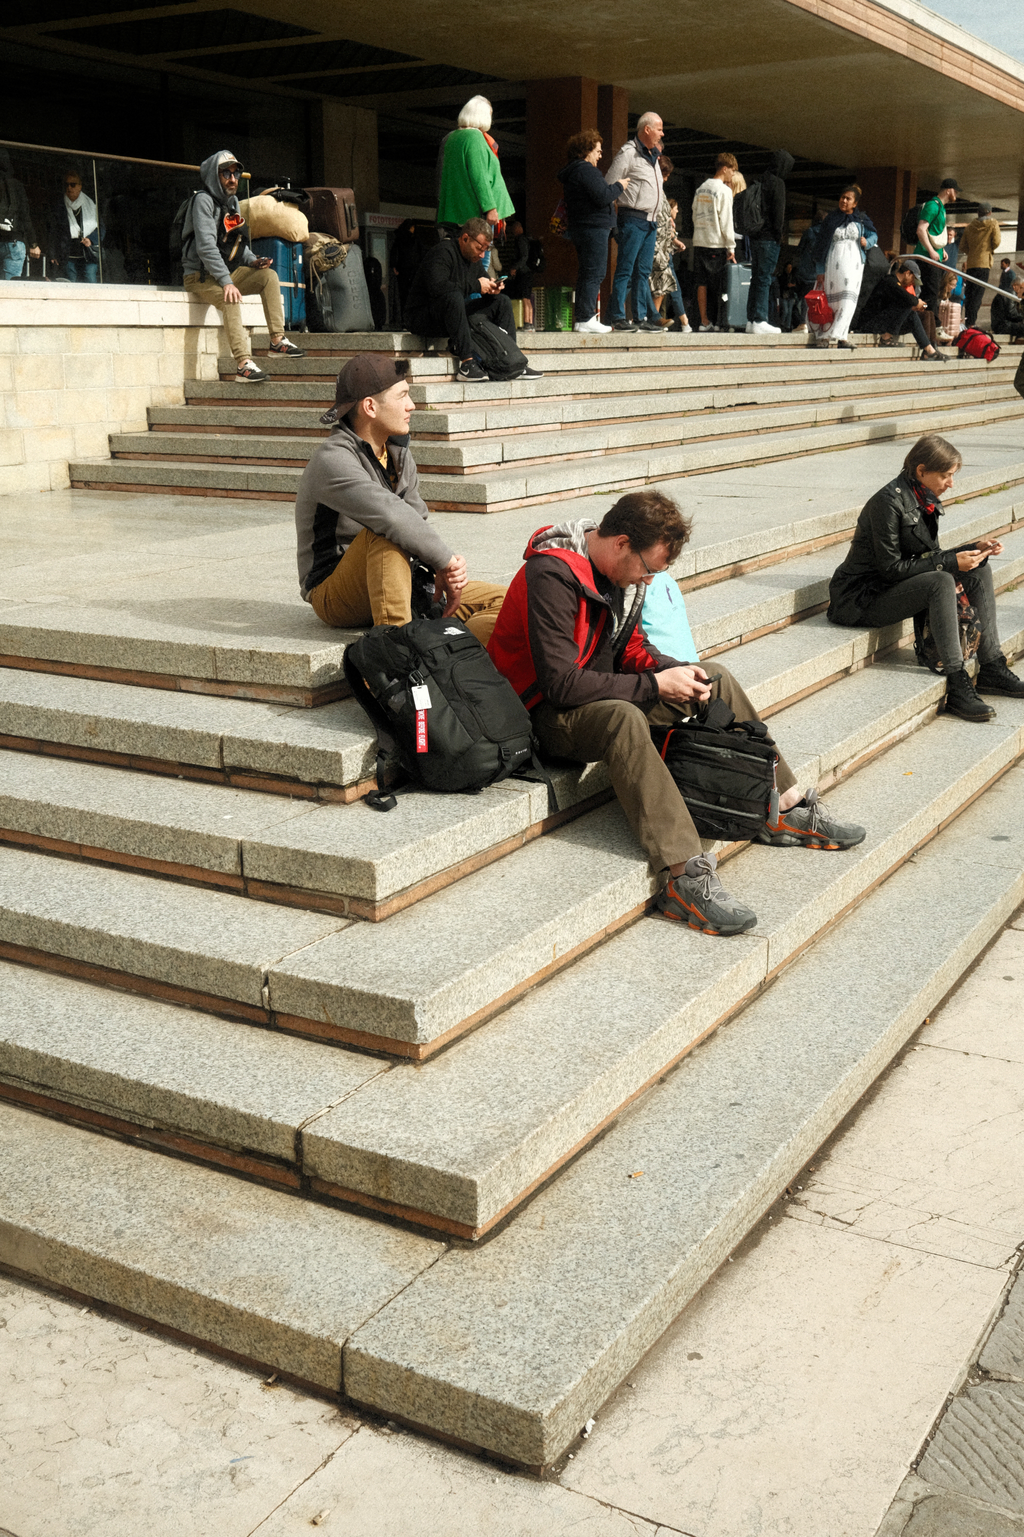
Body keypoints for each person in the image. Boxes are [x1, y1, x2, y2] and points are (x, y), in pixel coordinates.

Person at [486, 490, 866, 936]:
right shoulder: (551, 574)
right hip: (540, 714)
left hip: (597, 695)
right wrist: (653, 685)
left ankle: (780, 804)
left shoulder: (621, 575)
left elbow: (629, 649)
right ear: (621, 543)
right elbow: (560, 683)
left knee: (713, 675)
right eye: (649, 569)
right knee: (622, 718)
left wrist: (675, 672)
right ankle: (683, 876)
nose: (648, 581)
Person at [296, 354, 505, 643]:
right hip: (334, 590)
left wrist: (442, 568)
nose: (412, 405)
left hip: (401, 574)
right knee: (384, 531)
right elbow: (392, 516)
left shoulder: (397, 452)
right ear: (370, 406)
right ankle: (400, 650)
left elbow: (415, 521)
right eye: (403, 396)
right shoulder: (332, 459)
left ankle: (455, 649)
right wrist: (445, 561)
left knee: (507, 601)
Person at [827, 434, 1024, 721]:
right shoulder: (887, 503)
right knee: (940, 580)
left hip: (890, 586)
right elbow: (891, 568)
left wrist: (972, 549)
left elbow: (928, 555)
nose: (951, 484)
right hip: (861, 597)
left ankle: (992, 667)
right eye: (946, 476)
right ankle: (956, 682)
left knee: (979, 568)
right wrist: (949, 561)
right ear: (921, 471)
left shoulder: (923, 498)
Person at [181, 150, 304, 384]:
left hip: (225, 272)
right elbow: (206, 248)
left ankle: (277, 341)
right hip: (201, 275)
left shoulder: (232, 202)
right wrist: (226, 281)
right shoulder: (203, 201)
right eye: (226, 173)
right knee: (231, 298)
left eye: (235, 173)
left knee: (268, 276)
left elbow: (236, 240)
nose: (232, 178)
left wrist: (252, 260)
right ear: (213, 176)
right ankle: (242, 365)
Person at [404, 216, 542, 383]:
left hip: (453, 313)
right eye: (479, 248)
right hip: (423, 317)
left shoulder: (473, 259)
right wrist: (477, 286)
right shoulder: (442, 252)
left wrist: (493, 288)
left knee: (502, 302)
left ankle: (511, 362)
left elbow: (482, 283)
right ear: (465, 238)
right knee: (454, 297)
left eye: (485, 250)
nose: (482, 254)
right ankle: (467, 364)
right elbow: (438, 287)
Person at [557, 130, 626, 334]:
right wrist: (619, 186)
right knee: (594, 272)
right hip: (593, 228)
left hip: (582, 227)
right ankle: (586, 318)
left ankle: (584, 318)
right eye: (597, 150)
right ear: (586, 151)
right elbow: (603, 196)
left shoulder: (574, 171)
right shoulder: (586, 170)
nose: (600, 154)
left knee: (588, 272)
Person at [604, 111, 665, 333]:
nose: (662, 133)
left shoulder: (652, 155)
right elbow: (610, 183)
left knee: (643, 271)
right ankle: (618, 317)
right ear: (646, 129)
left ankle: (641, 317)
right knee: (625, 269)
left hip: (650, 222)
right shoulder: (629, 153)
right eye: (659, 128)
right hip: (633, 218)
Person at [437, 96, 515, 238]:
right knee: (481, 255)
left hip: (458, 211)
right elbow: (479, 176)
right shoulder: (475, 137)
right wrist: (490, 208)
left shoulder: (451, 138)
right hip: (478, 213)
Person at [810, 185, 877, 350]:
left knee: (848, 300)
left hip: (854, 265)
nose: (844, 201)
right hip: (832, 264)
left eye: (848, 199)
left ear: (855, 203)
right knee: (831, 301)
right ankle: (825, 337)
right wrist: (820, 271)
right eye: (842, 197)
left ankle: (842, 336)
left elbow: (874, 235)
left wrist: (866, 242)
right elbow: (821, 246)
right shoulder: (831, 219)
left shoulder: (861, 219)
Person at [745, 151, 794, 335]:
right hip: (768, 239)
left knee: (756, 277)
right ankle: (760, 319)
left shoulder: (761, 179)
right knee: (765, 278)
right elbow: (778, 215)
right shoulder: (778, 183)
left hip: (756, 237)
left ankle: (751, 319)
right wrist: (778, 235)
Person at [691, 153, 737, 332]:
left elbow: (694, 214)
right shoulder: (724, 191)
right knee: (720, 287)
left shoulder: (701, 188)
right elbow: (726, 220)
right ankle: (719, 320)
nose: (733, 175)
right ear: (725, 168)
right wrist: (730, 246)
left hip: (700, 240)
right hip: (716, 243)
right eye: (732, 171)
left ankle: (704, 320)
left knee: (701, 283)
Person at [866, 261, 949, 360]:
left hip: (886, 322)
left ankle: (929, 349)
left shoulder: (896, 284)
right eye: (913, 278)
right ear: (907, 273)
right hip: (872, 323)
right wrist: (917, 302)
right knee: (907, 305)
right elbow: (907, 298)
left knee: (922, 313)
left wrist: (920, 305)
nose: (913, 282)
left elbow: (912, 302)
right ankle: (886, 339)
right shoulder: (889, 281)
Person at [915, 178, 960, 318]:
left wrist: (941, 250)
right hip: (927, 257)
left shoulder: (940, 207)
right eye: (955, 191)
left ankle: (929, 324)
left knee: (931, 292)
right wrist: (931, 250)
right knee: (930, 293)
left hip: (934, 256)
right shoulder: (933, 206)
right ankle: (931, 325)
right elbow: (921, 229)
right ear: (948, 190)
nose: (957, 194)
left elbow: (932, 233)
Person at [50, 167, 102, 282]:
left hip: (89, 253)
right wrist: (53, 254)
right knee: (71, 285)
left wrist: (91, 239)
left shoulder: (91, 205)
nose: (69, 188)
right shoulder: (60, 206)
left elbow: (101, 228)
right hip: (69, 255)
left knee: (90, 281)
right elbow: (54, 231)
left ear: (80, 186)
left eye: (73, 185)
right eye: (66, 185)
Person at [650, 170, 686, 325]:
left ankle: (654, 317)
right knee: (639, 280)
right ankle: (682, 320)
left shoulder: (661, 194)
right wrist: (676, 241)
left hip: (663, 250)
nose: (677, 211)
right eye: (676, 208)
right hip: (657, 247)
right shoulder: (656, 194)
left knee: (662, 283)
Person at [0, 148, 41, 280]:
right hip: (14, 241)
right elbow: (25, 216)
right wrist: (33, 244)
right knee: (10, 288)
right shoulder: (16, 185)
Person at [959, 202, 1001, 329]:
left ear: (978, 212)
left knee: (970, 294)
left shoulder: (970, 226)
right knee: (978, 295)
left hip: (971, 263)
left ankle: (967, 321)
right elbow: (996, 241)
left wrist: (972, 252)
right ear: (990, 212)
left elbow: (962, 246)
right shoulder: (993, 223)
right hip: (984, 263)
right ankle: (972, 323)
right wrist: (988, 250)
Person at [494, 219, 533, 326]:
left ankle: (526, 321)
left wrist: (515, 268)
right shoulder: (527, 240)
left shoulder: (521, 240)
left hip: (523, 272)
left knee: (525, 298)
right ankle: (530, 321)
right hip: (529, 271)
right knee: (528, 298)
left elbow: (524, 256)